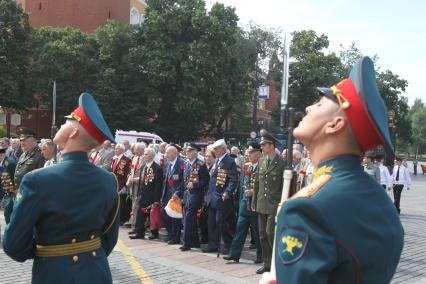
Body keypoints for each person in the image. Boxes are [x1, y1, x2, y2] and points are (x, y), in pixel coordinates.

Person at [271, 57, 404, 283]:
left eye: (320, 104)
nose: (308, 107)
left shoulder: (307, 208)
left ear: (335, 125)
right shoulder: (380, 200)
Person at [3, 93, 119, 284]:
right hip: (97, 271)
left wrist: (48, 252)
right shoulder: (108, 180)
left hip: (54, 273)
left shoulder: (37, 180)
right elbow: (109, 238)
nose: (61, 126)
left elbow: (14, 245)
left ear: (73, 133)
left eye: (67, 122)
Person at [252, 129, 285, 274]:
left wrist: (283, 203)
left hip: (274, 204)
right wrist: (253, 201)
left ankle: (278, 264)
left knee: (271, 233)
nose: (262, 147)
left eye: (264, 145)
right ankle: (267, 264)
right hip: (261, 203)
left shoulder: (282, 163)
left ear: (271, 145)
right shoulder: (261, 161)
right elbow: (257, 184)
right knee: (262, 235)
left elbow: (284, 186)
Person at [223, 142, 262, 264]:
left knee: (257, 233)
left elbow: (265, 187)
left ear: (258, 153)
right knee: (239, 230)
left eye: (251, 152)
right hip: (245, 204)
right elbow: (242, 186)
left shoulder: (263, 167)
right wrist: (240, 203)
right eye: (248, 152)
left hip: (256, 205)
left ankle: (260, 256)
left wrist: (254, 192)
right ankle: (234, 254)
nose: (248, 155)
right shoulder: (246, 166)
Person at [204, 139, 238, 254]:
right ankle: (213, 244)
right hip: (213, 196)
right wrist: (208, 194)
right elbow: (213, 179)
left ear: (222, 149)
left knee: (222, 223)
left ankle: (229, 244)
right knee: (212, 222)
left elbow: (233, 179)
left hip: (222, 197)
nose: (215, 151)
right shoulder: (217, 161)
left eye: (216, 149)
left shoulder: (229, 161)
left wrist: (227, 192)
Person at [180, 143, 210, 251]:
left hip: (196, 195)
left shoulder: (201, 165)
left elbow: (206, 180)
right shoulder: (187, 163)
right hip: (187, 194)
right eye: (186, 151)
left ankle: (186, 243)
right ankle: (195, 242)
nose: (186, 153)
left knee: (188, 218)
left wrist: (195, 185)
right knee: (190, 219)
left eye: (189, 151)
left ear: (194, 152)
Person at [129, 148, 163, 240]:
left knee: (151, 215)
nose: (144, 155)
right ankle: (139, 232)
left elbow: (158, 185)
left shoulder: (157, 168)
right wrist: (138, 195)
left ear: (152, 156)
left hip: (151, 196)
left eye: (146, 154)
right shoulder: (144, 167)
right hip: (141, 195)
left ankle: (154, 233)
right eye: (144, 154)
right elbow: (141, 182)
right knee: (140, 215)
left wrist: (156, 200)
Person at [161, 145, 185, 244]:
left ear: (175, 153)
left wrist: (177, 193)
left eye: (168, 153)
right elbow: (166, 180)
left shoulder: (181, 164)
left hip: (176, 194)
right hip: (167, 194)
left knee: (175, 217)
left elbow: (183, 181)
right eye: (166, 152)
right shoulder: (167, 163)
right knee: (164, 213)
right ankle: (170, 233)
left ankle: (175, 238)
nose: (166, 155)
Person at [111, 143, 132, 225]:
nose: (115, 150)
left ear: (122, 150)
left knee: (121, 203)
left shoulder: (126, 160)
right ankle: (114, 218)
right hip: (113, 183)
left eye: (117, 148)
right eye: (115, 148)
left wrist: (123, 186)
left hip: (121, 184)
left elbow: (126, 174)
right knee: (114, 202)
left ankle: (120, 219)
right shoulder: (114, 159)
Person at [0, 148, 17, 223]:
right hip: (7, 191)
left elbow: (8, 181)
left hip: (10, 192)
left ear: (2, 155)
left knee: (8, 213)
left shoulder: (9, 163)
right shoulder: (4, 161)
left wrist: (3, 196)